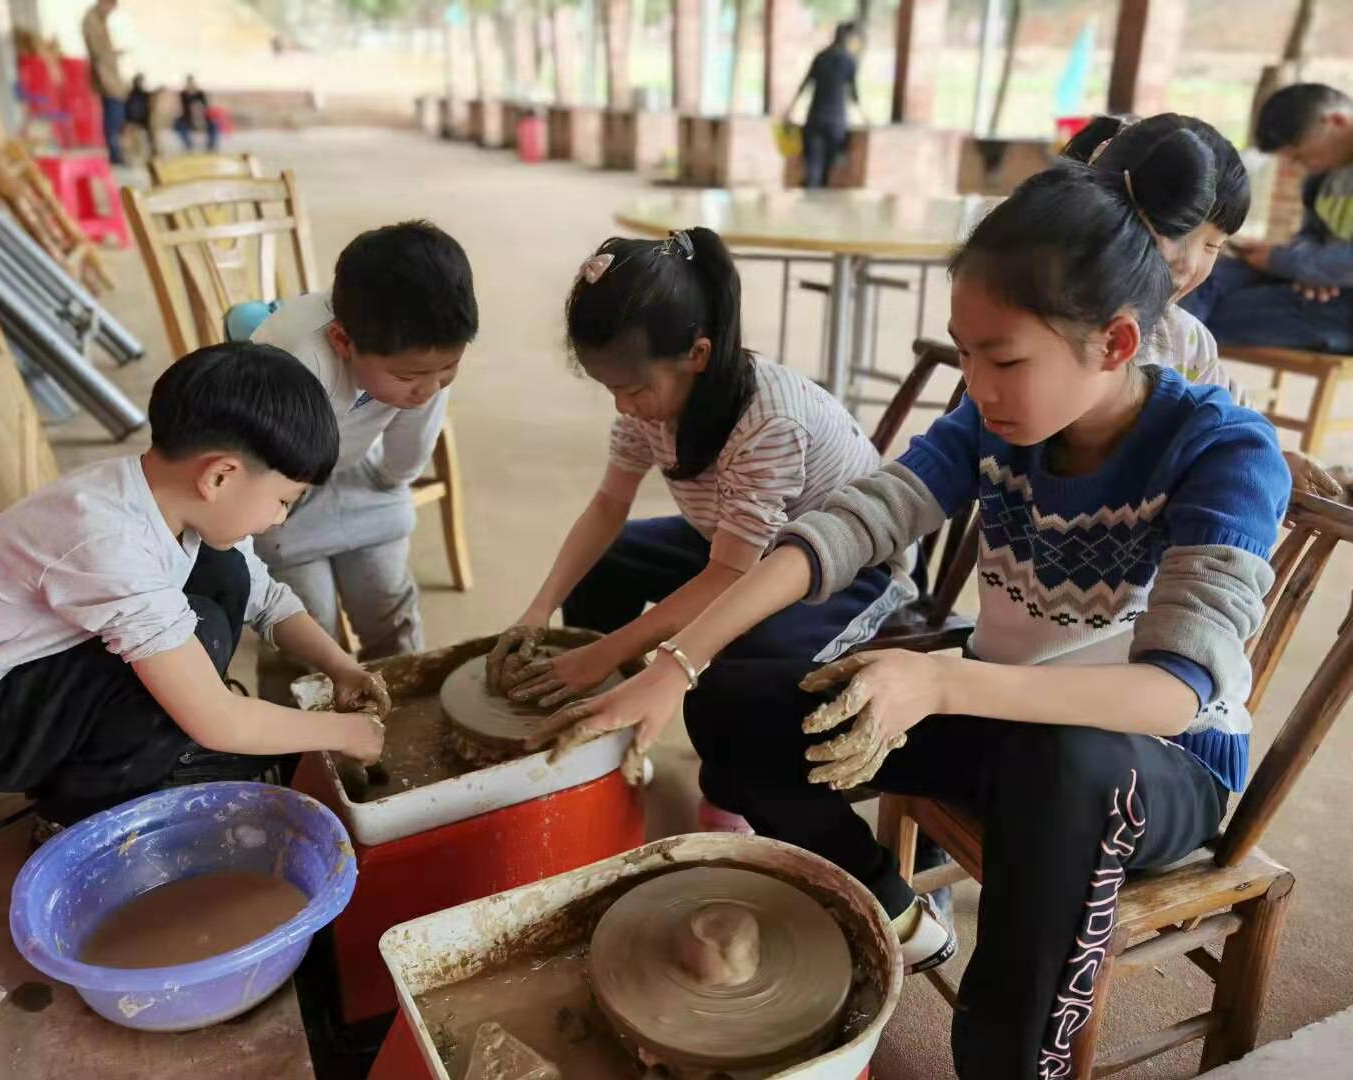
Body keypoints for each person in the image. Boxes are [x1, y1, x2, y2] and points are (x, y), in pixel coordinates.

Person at [527, 142, 1290, 1075]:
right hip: (991, 706)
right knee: (729, 710)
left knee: (1067, 771)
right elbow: (848, 527)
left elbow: (1172, 693)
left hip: (1156, 768)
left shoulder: (1223, 450)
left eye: (1004, 359)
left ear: (1117, 342)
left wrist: (936, 677)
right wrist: (671, 665)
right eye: (966, 355)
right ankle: (892, 910)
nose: (978, 386)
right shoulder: (992, 421)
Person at [486, 227, 916, 801]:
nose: (623, 405)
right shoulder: (650, 406)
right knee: (607, 562)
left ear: (697, 355)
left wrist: (614, 651)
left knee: (737, 670)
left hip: (845, 572)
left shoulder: (768, 423)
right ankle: (604, 713)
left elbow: (728, 579)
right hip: (739, 544)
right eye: (611, 389)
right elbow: (609, 505)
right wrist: (538, 610)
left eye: (633, 388)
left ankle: (734, 792)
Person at [0, 344, 389, 838]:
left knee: (225, 575)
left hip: (32, 673)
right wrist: (346, 733)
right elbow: (218, 721)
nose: (278, 518)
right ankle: (73, 817)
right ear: (220, 475)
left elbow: (265, 600)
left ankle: (152, 743)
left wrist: (341, 667)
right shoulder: (110, 542)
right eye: (283, 501)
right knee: (195, 646)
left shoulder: (160, 494)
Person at [238, 222, 477, 663]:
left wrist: (392, 479)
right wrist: (274, 509)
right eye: (408, 377)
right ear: (343, 342)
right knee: (308, 631)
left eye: (448, 368)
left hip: (360, 472)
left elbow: (411, 444)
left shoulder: (425, 358)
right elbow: (260, 467)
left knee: (389, 610)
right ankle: (302, 729)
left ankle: (397, 710)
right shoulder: (296, 360)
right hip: (278, 493)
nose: (428, 388)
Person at [1068, 112, 1342, 497]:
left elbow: (1237, 422)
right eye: (1176, 234)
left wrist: (1275, 456)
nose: (1189, 265)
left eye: (1213, 245)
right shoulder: (1053, 327)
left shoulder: (1186, 340)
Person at [1182, 83, 1353, 354]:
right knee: (1200, 279)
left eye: (1302, 156)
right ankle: (1171, 366)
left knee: (1207, 315)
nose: (1301, 165)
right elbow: (1311, 235)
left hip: (1344, 308)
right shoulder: (1324, 176)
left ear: (1336, 121)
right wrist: (1307, 269)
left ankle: (1169, 374)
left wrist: (1285, 262)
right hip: (1317, 281)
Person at [783, 21, 866, 189]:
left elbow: (804, 85)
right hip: (836, 122)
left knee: (813, 165)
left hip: (816, 118)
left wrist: (790, 109)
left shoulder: (821, 57)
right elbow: (854, 94)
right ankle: (819, 202)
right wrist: (864, 115)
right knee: (828, 168)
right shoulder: (849, 61)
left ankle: (811, 199)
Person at [81, 0, 126, 166]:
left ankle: (116, 152)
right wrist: (106, 79)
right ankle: (114, 154)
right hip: (106, 77)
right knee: (113, 116)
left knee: (115, 115)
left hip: (109, 74)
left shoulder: (99, 19)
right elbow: (97, 54)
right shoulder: (91, 20)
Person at [175, 75, 219, 152]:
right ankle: (188, 145)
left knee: (214, 124)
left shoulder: (200, 94)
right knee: (178, 125)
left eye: (191, 83)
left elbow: (206, 107)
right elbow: (182, 108)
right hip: (188, 119)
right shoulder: (183, 94)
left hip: (202, 118)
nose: (190, 85)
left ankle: (211, 146)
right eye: (189, 83)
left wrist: (200, 115)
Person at [124, 74, 159, 159]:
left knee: (151, 136)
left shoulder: (146, 95)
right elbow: (128, 109)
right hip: (133, 122)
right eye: (139, 81)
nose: (140, 83)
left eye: (141, 81)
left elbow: (150, 109)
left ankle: (154, 154)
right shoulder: (130, 95)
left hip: (144, 122)